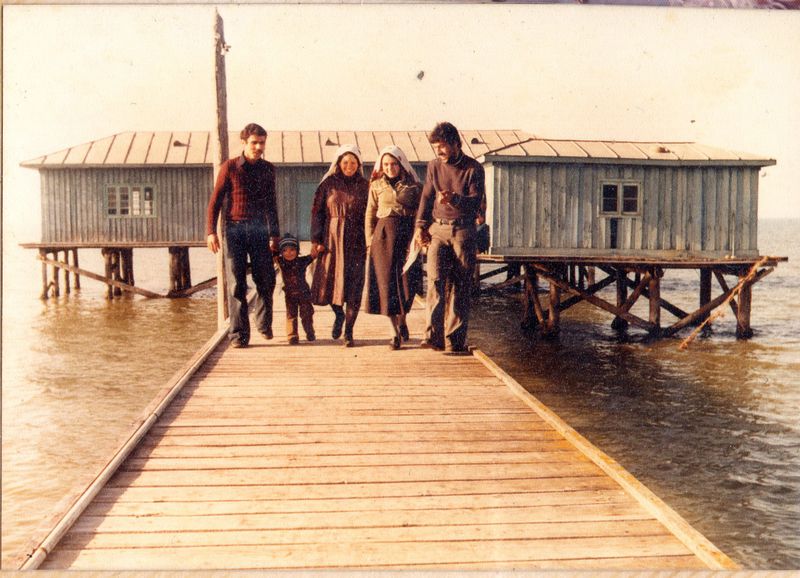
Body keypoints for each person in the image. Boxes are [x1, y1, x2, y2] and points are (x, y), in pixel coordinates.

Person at [413, 121, 485, 353]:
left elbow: (475, 203)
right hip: (438, 230)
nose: (439, 151)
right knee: (434, 281)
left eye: (442, 146)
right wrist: (420, 227)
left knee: (460, 286)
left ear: (455, 144)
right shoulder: (434, 166)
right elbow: (426, 197)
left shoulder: (474, 168)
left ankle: (454, 341)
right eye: (436, 147)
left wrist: (454, 199)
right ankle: (432, 337)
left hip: (464, 231)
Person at [206, 123, 280, 348]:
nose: (258, 147)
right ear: (244, 143)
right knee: (236, 284)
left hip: (259, 230)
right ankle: (239, 335)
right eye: (254, 143)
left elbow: (271, 204)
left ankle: (263, 323)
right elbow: (215, 202)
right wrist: (210, 232)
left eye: (262, 143)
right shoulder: (230, 167)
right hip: (234, 230)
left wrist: (274, 235)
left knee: (266, 279)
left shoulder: (268, 169)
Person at [310, 145, 369, 347]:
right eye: (345, 162)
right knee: (329, 282)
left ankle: (349, 331)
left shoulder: (365, 185)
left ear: (358, 165)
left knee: (354, 286)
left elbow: (371, 214)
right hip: (332, 240)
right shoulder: (328, 184)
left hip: (357, 240)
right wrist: (316, 240)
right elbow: (317, 213)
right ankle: (339, 314)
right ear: (338, 163)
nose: (349, 166)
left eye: (353, 163)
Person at [364, 145, 422, 350]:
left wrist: (419, 236)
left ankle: (403, 319)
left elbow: (420, 212)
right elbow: (370, 213)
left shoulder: (414, 186)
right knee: (386, 284)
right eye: (386, 164)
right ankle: (393, 333)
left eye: (394, 164)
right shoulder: (376, 185)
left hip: (407, 235)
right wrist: (369, 241)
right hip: (383, 237)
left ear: (401, 164)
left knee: (408, 282)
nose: (390, 168)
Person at [275, 233, 316, 345]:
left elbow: (313, 255)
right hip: (289, 294)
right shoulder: (280, 261)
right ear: (281, 252)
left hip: (304, 293)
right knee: (291, 315)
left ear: (297, 251)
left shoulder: (302, 261)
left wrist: (317, 247)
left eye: (292, 250)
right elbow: (272, 255)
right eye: (285, 250)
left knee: (307, 314)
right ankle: (292, 335)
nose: (289, 253)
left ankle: (309, 331)